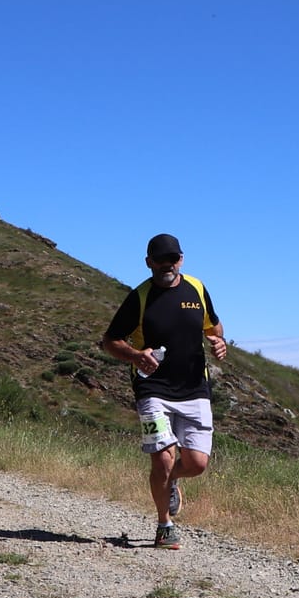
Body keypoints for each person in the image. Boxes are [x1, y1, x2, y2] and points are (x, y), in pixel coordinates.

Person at [99, 233, 227, 549]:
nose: (167, 265)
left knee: (197, 463)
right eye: (161, 260)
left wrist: (219, 343)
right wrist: (135, 355)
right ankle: (164, 526)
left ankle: (171, 483)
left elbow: (214, 326)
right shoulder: (139, 297)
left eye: (173, 259)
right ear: (149, 263)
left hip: (195, 386)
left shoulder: (196, 288)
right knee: (162, 460)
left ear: (180, 260)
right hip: (152, 388)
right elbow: (110, 341)